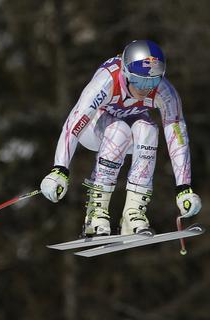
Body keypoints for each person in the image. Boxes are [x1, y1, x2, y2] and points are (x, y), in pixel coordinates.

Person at [40, 39, 202, 237]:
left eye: (153, 81)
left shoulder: (165, 92)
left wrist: (184, 188)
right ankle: (96, 213)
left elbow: (177, 136)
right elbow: (74, 124)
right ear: (125, 72)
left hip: (128, 130)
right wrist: (60, 169)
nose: (145, 88)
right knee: (119, 131)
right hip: (93, 129)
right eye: (140, 81)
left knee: (148, 129)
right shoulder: (107, 81)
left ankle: (133, 214)